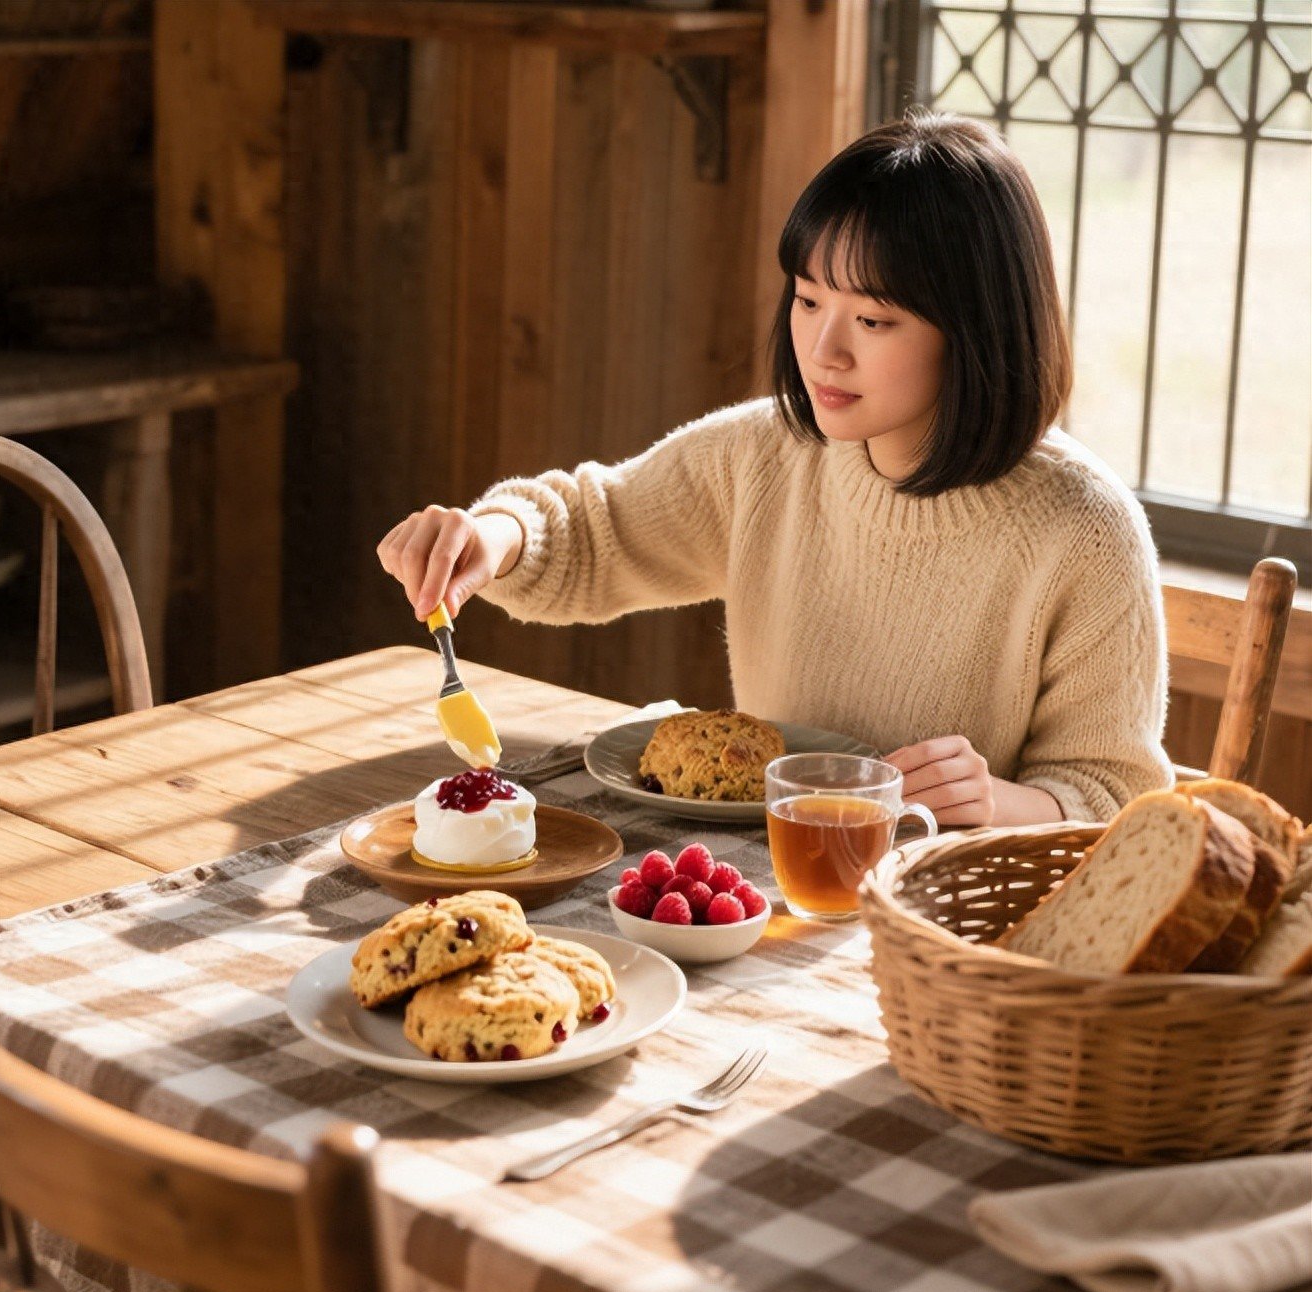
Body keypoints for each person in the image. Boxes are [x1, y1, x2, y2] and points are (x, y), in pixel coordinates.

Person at [377, 109, 1172, 827]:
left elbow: (1116, 800)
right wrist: (490, 536)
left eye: (872, 318)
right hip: (769, 889)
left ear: (978, 329)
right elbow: (596, 530)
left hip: (941, 919)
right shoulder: (769, 454)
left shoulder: (1083, 529)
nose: (825, 350)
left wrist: (999, 801)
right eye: (807, 299)